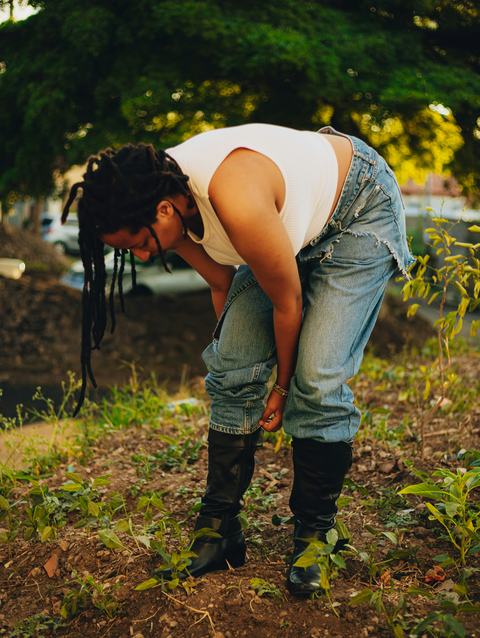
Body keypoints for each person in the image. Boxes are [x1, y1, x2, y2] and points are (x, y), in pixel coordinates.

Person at [63, 123, 415, 597]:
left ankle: (316, 536)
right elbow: (222, 282)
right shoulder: (156, 190)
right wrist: (239, 360)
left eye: (138, 243)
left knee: (317, 378)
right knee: (229, 368)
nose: (143, 254)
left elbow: (287, 303)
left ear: (163, 210)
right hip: (292, 227)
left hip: (357, 210)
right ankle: (218, 532)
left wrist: (281, 386)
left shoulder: (233, 199)